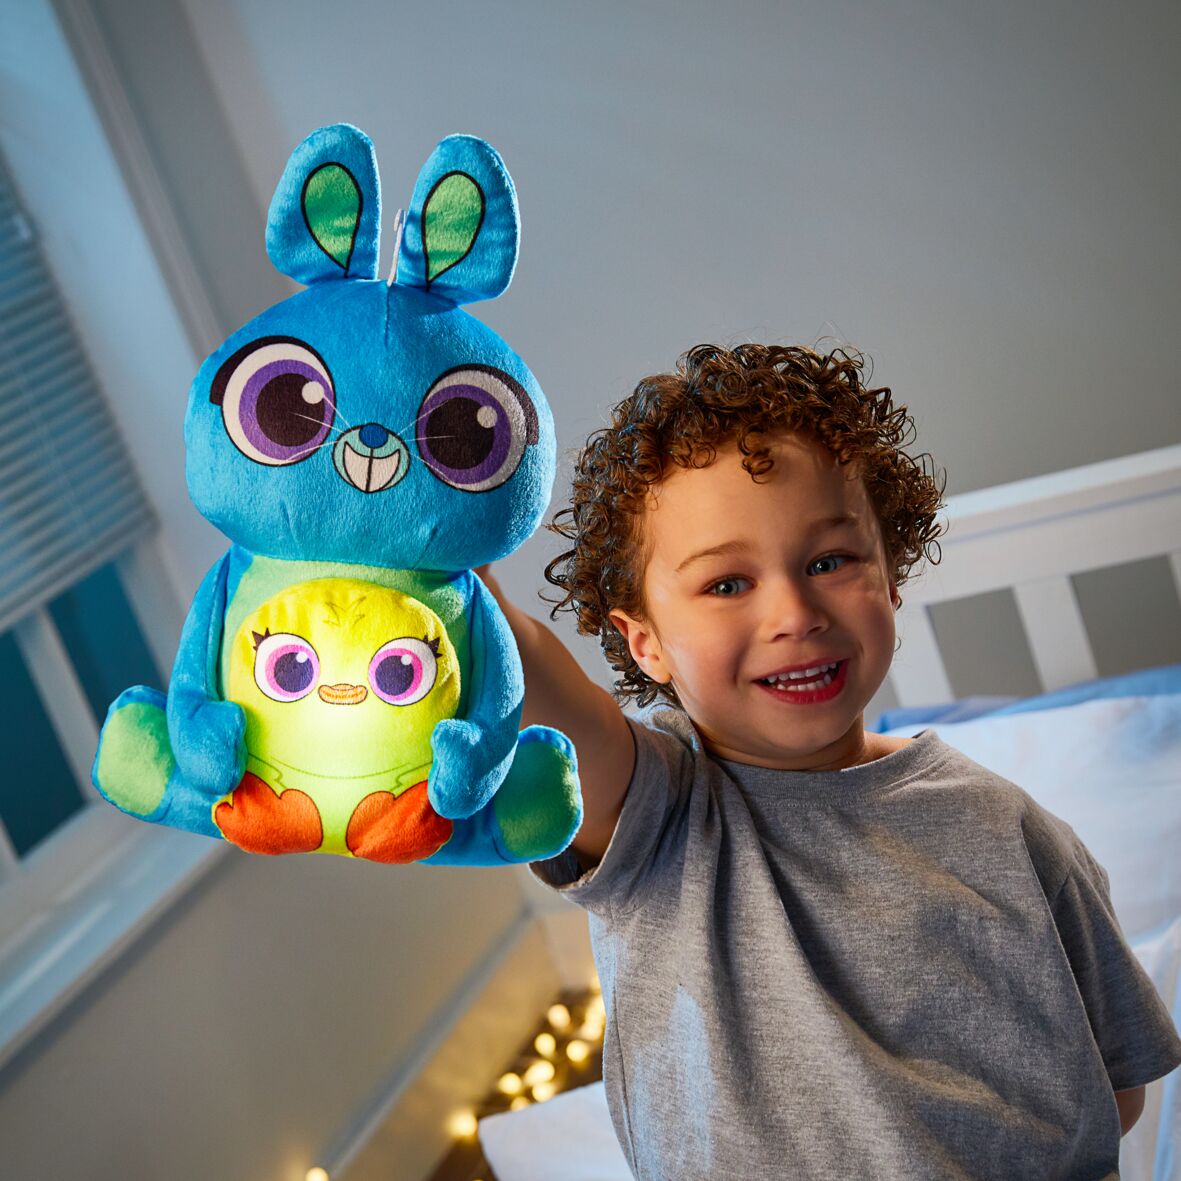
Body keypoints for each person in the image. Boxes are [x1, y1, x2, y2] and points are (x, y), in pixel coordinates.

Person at [479, 342, 1181, 1180]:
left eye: (829, 562)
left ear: (890, 577)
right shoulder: (660, 817)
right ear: (645, 642)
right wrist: (444, 569)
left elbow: (1115, 1090)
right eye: (726, 584)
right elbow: (534, 686)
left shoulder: (1008, 826)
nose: (794, 612)